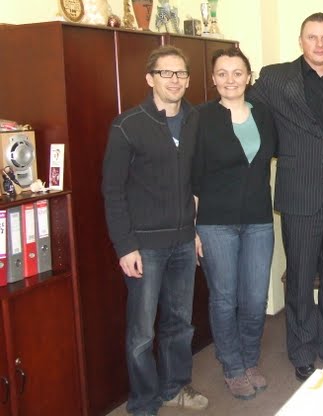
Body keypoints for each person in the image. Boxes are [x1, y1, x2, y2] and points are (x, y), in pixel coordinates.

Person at [250, 12, 323, 382]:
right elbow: (244, 111)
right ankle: (301, 350)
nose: (319, 44)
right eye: (312, 37)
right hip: (299, 194)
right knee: (299, 278)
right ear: (301, 41)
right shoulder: (275, 78)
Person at [102, 45, 208, 416]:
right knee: (142, 333)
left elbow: (195, 181)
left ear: (188, 79)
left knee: (180, 324)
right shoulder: (127, 125)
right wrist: (124, 246)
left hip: (183, 242)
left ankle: (174, 388)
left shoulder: (195, 119)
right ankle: (144, 402)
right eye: (166, 73)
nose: (175, 80)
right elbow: (112, 191)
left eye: (181, 73)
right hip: (144, 247)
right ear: (150, 79)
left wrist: (194, 230)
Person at [192, 47, 277, 400]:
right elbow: (192, 176)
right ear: (213, 78)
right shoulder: (200, 117)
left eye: (237, 72)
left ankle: (249, 360)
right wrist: (193, 229)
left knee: (255, 298)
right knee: (225, 299)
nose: (230, 80)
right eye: (223, 73)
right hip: (215, 223)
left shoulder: (264, 115)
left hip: (259, 220)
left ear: (249, 77)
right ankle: (232, 366)